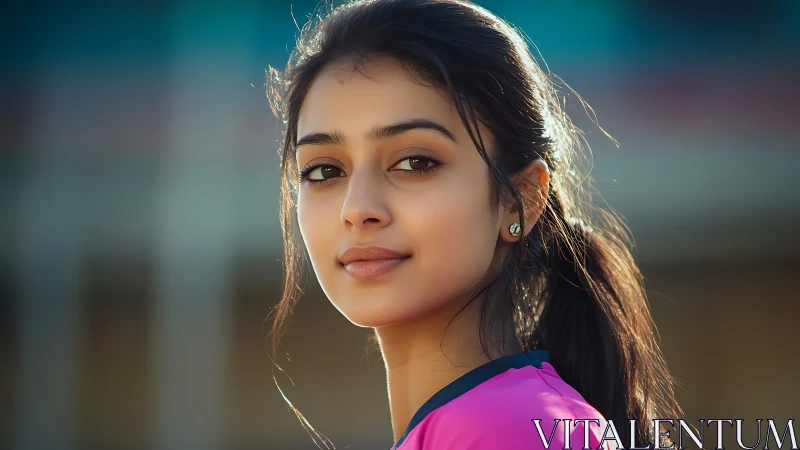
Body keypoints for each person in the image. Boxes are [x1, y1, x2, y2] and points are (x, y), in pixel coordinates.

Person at [266, 0, 683, 448]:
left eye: (414, 162)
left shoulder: (508, 427)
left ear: (519, 199)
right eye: (325, 170)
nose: (357, 207)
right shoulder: (498, 421)